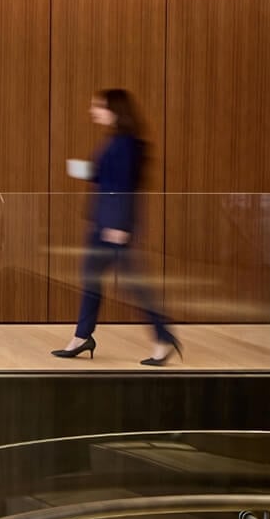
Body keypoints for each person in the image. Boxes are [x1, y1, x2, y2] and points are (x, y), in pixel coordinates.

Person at [52, 88, 181, 367]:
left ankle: (162, 336)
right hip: (103, 223)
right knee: (93, 279)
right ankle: (82, 336)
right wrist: (85, 170)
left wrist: (119, 226)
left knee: (133, 284)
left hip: (113, 226)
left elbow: (124, 186)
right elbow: (107, 176)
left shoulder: (126, 144)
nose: (93, 110)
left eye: (97, 105)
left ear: (114, 109)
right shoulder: (118, 142)